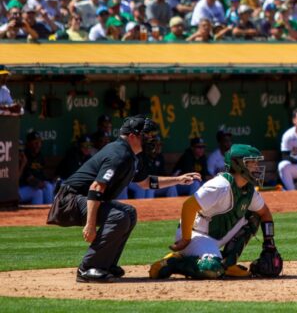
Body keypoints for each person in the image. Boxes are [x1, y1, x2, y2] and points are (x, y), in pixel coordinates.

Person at [48, 116, 201, 282]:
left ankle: (106, 265)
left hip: (85, 199)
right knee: (119, 216)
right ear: (132, 136)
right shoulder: (118, 154)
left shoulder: (132, 155)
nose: (150, 139)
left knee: (129, 212)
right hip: (69, 200)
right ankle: (87, 268)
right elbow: (96, 188)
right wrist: (90, 225)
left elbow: (146, 183)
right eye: (146, 135)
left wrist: (178, 179)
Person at [149, 144, 283, 280]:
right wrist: (186, 238)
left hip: (216, 236)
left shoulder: (249, 191)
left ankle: (228, 264)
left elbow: (265, 213)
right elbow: (188, 206)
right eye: (252, 163)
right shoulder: (220, 186)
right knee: (213, 269)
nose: (256, 167)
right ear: (238, 164)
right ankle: (174, 262)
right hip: (196, 235)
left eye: (256, 162)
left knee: (254, 216)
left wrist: (269, 244)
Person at [19, 131, 55, 204]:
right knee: (40, 191)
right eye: (35, 142)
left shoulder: (39, 156)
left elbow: (42, 174)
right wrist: (40, 184)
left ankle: (48, 212)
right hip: (23, 186)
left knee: (49, 186)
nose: (38, 145)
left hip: (32, 186)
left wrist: (48, 181)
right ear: (28, 144)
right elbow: (29, 179)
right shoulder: (24, 156)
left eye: (39, 142)